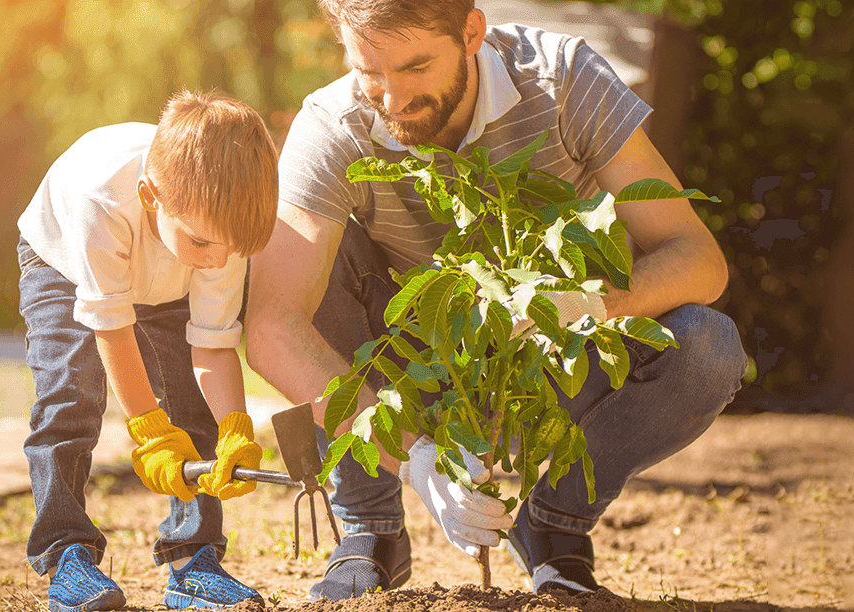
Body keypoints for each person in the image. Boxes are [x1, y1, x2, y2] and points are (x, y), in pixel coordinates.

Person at [243, 0, 748, 601]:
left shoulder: (563, 81)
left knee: (708, 346)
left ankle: (553, 528)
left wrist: (588, 303)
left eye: (416, 67)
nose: (393, 98)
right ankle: (369, 531)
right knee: (311, 249)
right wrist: (413, 461)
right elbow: (273, 325)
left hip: (548, 360)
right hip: (412, 372)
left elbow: (698, 257)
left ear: (471, 32)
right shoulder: (334, 123)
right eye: (370, 72)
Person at [15, 91, 276, 611]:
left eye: (232, 249)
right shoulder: (102, 199)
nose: (219, 261)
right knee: (71, 397)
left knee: (192, 403)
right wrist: (150, 431)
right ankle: (66, 553)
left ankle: (194, 559)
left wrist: (234, 427)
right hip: (65, 263)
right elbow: (112, 327)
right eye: (206, 245)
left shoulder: (216, 234)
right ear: (151, 196)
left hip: (165, 275)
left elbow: (213, 344)